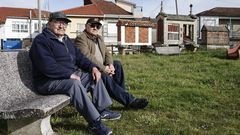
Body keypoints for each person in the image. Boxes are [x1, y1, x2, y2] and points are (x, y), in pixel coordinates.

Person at [29, 12, 120, 135]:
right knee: (74, 84)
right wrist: (68, 74)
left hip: (65, 77)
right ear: (49, 23)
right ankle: (95, 123)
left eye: (65, 23)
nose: (62, 26)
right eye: (58, 22)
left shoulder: (66, 39)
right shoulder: (41, 41)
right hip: (47, 81)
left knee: (93, 76)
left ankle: (101, 109)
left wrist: (93, 67)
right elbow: (47, 66)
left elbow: (80, 58)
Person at [75, 18, 148, 109]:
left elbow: (107, 53)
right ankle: (130, 101)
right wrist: (103, 68)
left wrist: (110, 65)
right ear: (86, 26)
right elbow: (87, 56)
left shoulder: (99, 38)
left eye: (97, 26)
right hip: (90, 69)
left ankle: (122, 95)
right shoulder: (81, 38)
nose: (95, 28)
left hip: (101, 67)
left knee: (117, 64)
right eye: (92, 25)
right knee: (103, 75)